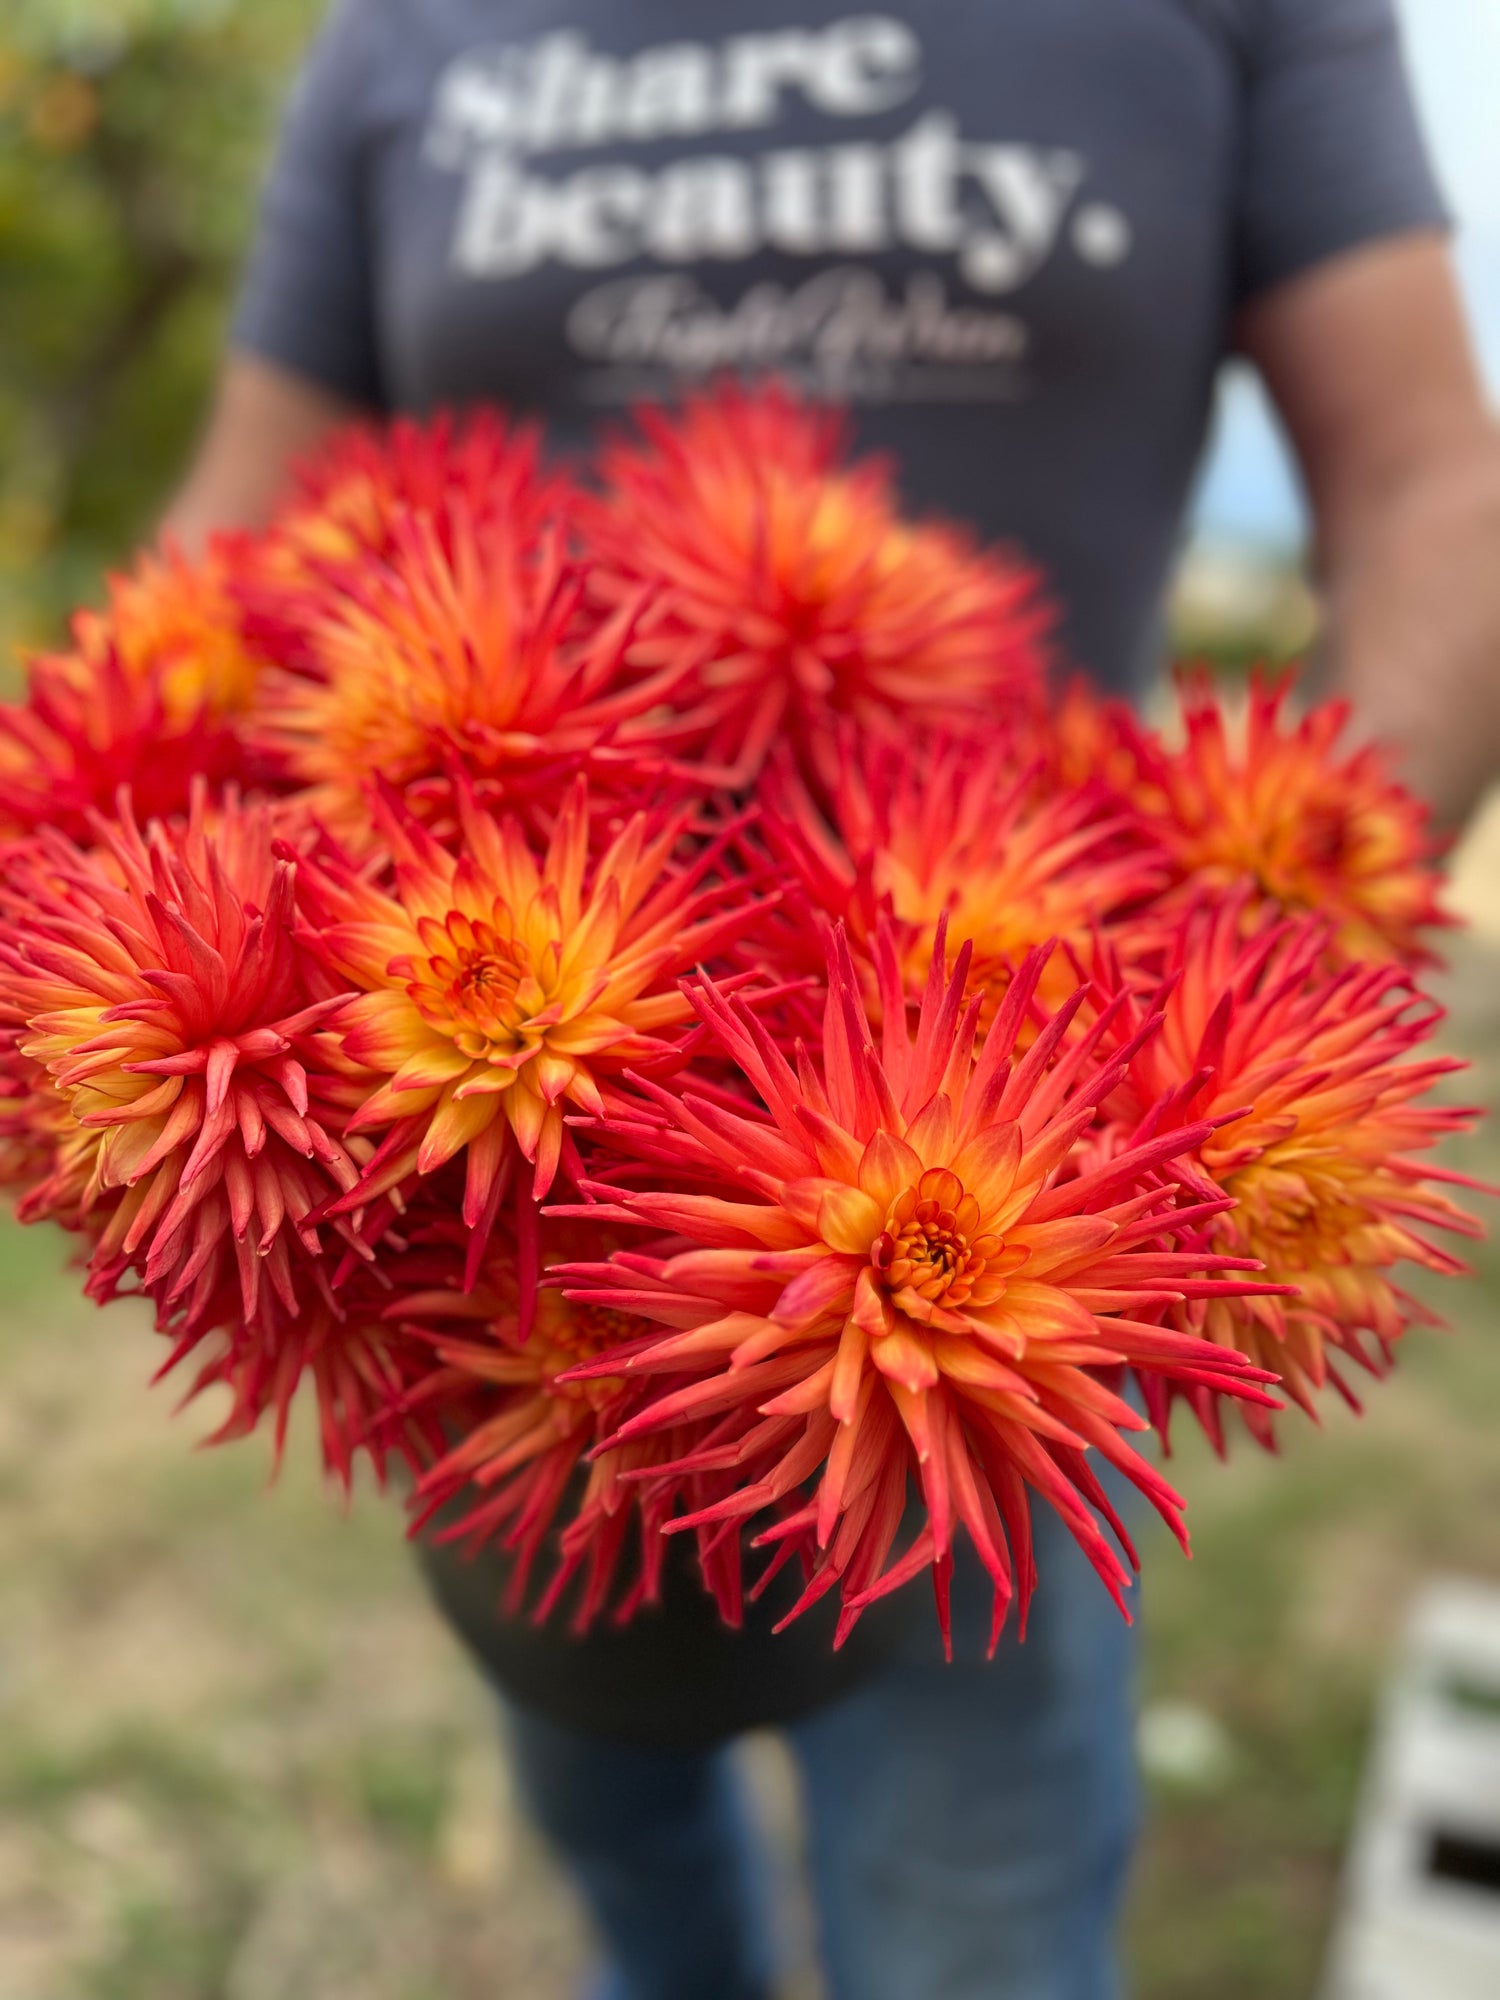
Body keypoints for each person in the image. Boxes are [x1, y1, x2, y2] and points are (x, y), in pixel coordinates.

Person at [164, 6, 1500, 1996]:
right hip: (489, 1265)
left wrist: (1262, 947)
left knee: (977, 1896)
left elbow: (1433, 487)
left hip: (1039, 1078)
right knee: (609, 1808)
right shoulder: (401, 38)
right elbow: (229, 548)